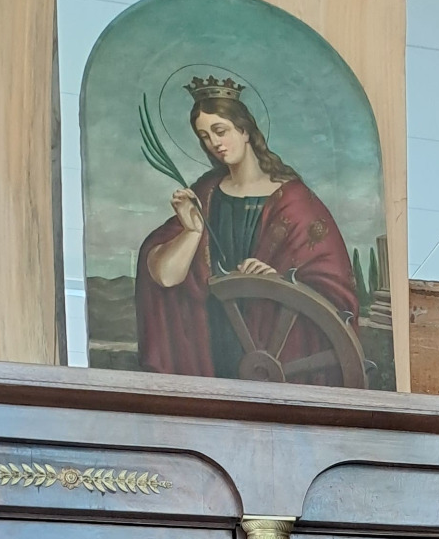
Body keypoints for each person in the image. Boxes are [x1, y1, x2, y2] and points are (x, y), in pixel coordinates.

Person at [136, 77, 359, 378]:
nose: (214, 143)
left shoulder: (295, 202)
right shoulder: (205, 193)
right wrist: (192, 231)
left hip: (270, 348)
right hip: (213, 344)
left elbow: (334, 292)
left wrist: (280, 282)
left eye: (220, 131)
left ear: (244, 131)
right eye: (204, 136)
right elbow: (164, 277)